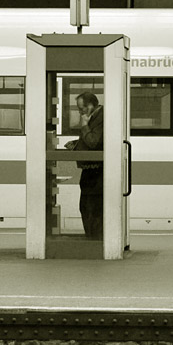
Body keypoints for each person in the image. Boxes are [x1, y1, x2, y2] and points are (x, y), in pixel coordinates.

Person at [65, 92, 104, 241]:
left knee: (90, 208)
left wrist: (84, 125)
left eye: (81, 108)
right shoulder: (95, 116)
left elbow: (94, 142)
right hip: (91, 170)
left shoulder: (100, 118)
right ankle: (93, 238)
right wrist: (77, 144)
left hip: (96, 170)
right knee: (87, 207)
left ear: (90, 106)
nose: (80, 112)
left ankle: (94, 240)